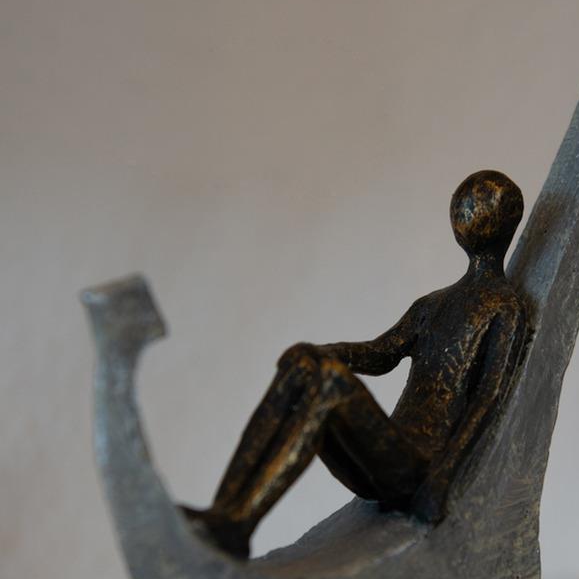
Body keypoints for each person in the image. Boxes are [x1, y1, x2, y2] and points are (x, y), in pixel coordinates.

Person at [187, 170, 529, 556]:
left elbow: (489, 397)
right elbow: (380, 354)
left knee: (331, 384)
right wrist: (320, 352)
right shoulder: (432, 305)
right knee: (304, 367)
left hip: (414, 470)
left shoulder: (504, 309)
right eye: (462, 206)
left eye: (477, 206)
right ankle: (226, 514)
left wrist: (441, 479)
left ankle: (238, 524)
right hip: (382, 454)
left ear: (504, 221)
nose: (466, 214)